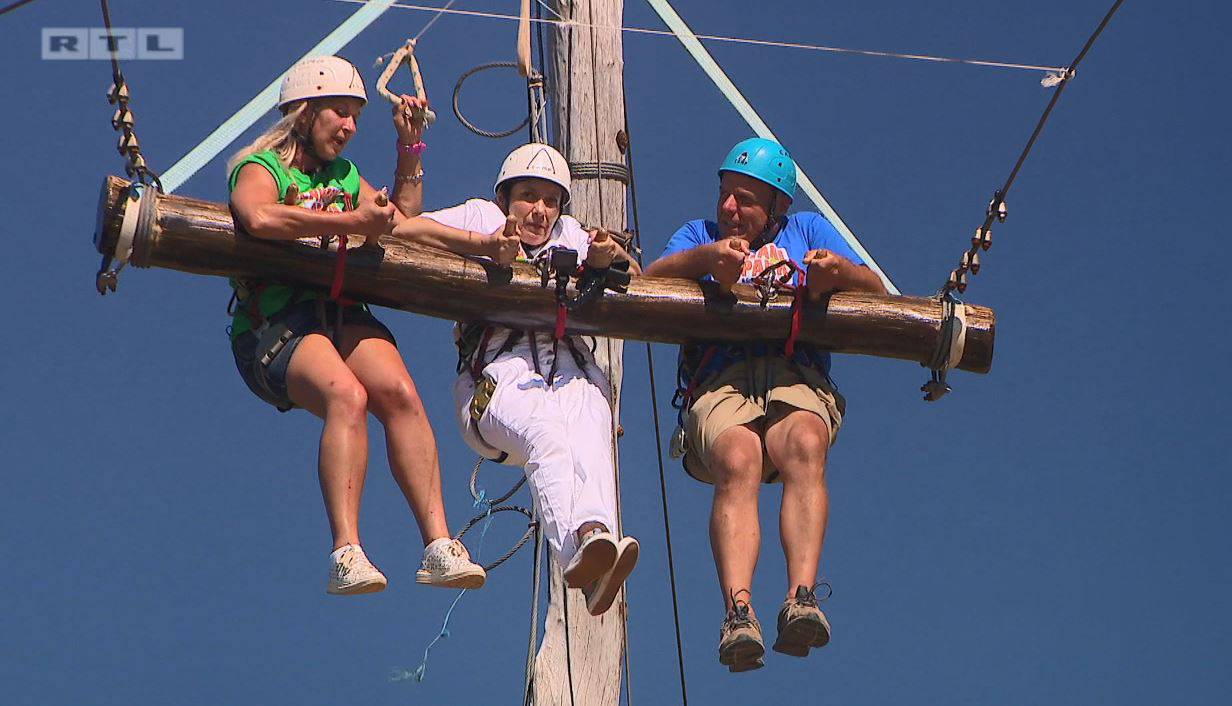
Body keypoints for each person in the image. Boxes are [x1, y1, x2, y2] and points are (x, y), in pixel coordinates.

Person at [226, 55, 485, 596]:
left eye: (354, 117)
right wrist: (349, 222)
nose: (348, 127)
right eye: (338, 113)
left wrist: (412, 151)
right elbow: (258, 217)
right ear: (303, 112)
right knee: (347, 395)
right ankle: (346, 551)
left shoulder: (344, 176)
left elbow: (402, 222)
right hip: (273, 323)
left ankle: (438, 544)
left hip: (336, 310)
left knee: (399, 392)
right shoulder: (261, 167)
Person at [644, 137, 888, 671]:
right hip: (722, 379)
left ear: (778, 207)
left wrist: (835, 275)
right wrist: (707, 261)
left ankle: (802, 596)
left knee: (803, 442)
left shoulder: (808, 233)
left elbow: (875, 288)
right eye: (726, 196)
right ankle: (739, 611)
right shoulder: (699, 236)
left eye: (746, 200)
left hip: (793, 373)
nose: (730, 209)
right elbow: (648, 280)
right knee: (738, 458)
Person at [393, 143, 640, 616]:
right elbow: (403, 230)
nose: (540, 210)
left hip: (568, 370)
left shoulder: (572, 234)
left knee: (591, 421)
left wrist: (611, 258)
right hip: (497, 379)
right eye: (528, 196)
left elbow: (638, 278)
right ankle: (575, 555)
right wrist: (484, 247)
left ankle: (595, 541)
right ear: (506, 197)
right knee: (547, 432)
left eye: (551, 200)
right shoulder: (480, 216)